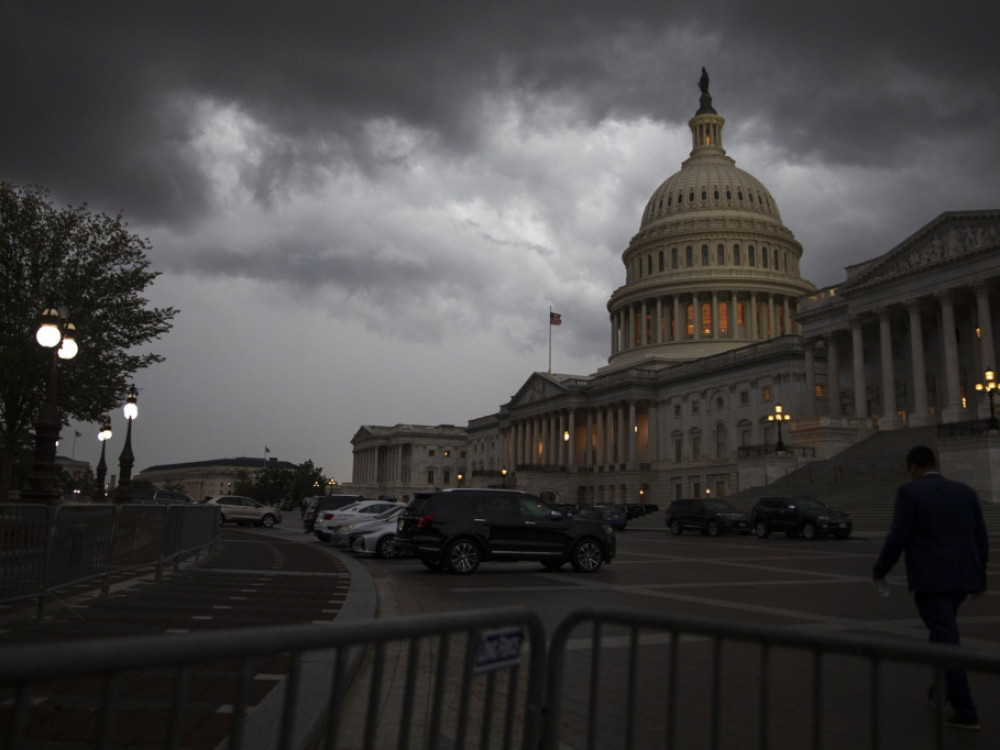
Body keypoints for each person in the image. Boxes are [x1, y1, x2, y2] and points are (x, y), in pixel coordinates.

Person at [872, 445, 989, 731]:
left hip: (932, 579)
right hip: (962, 578)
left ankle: (965, 709)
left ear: (913, 466)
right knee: (942, 633)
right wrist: (979, 578)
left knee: (946, 638)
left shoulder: (910, 493)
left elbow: (898, 537)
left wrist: (880, 570)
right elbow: (980, 538)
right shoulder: (965, 492)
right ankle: (940, 691)